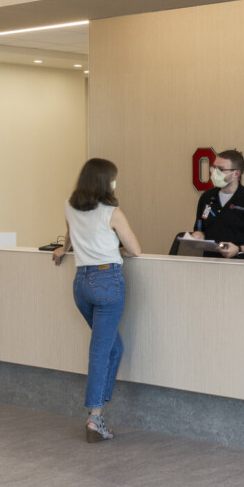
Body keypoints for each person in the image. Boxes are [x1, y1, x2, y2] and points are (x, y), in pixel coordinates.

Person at [52, 158, 142, 442]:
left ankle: (99, 405)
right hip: (107, 282)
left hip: (81, 284)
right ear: (105, 182)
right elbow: (135, 249)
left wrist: (61, 249)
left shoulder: (69, 206)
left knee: (114, 349)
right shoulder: (112, 213)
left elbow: (69, 237)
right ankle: (95, 419)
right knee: (101, 351)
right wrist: (116, 249)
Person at [187, 149, 244, 259]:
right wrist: (198, 235)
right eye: (214, 167)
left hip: (240, 266)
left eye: (221, 169)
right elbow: (200, 228)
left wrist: (239, 250)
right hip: (210, 264)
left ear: (236, 173)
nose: (214, 172)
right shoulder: (206, 198)